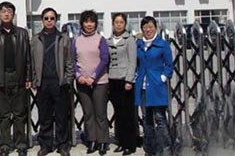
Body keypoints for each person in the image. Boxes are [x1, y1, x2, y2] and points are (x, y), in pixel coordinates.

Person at [0, 1, 32, 156]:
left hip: (18, 76)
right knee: (4, 114)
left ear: (13, 14)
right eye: (3, 11)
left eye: (9, 11)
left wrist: (28, 77)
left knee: (19, 113)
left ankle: (21, 144)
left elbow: (28, 58)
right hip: (0, 76)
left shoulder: (22, 33)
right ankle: (5, 144)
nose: (6, 14)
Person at [31, 8, 74, 156]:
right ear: (42, 20)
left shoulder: (63, 38)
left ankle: (63, 145)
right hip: (43, 82)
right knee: (45, 116)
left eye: (52, 18)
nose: (49, 21)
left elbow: (69, 60)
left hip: (59, 82)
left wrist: (68, 79)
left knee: (62, 116)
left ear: (56, 20)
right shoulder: (36, 39)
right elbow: (32, 61)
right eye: (46, 18)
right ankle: (45, 145)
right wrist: (34, 79)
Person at [135, 16, 173, 156]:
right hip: (143, 86)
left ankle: (166, 148)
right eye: (145, 27)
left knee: (160, 117)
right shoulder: (139, 45)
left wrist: (162, 77)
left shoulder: (162, 45)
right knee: (146, 119)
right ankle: (150, 149)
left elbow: (169, 66)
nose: (148, 30)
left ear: (155, 27)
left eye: (150, 27)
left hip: (156, 86)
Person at [73, 10, 109, 155]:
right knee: (88, 113)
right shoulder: (77, 40)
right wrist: (78, 76)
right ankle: (92, 140)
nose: (89, 24)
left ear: (96, 23)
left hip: (99, 82)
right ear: (82, 23)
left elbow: (104, 59)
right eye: (86, 21)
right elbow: (72, 60)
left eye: (92, 21)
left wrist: (93, 77)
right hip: (82, 82)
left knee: (100, 113)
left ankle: (102, 141)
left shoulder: (101, 39)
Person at [107, 13, 138, 156]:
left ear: (125, 24)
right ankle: (120, 141)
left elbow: (132, 61)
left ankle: (130, 144)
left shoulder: (129, 40)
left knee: (128, 114)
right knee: (118, 113)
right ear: (113, 23)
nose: (119, 25)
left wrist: (129, 80)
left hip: (125, 80)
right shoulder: (108, 40)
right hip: (112, 79)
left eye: (121, 22)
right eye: (116, 22)